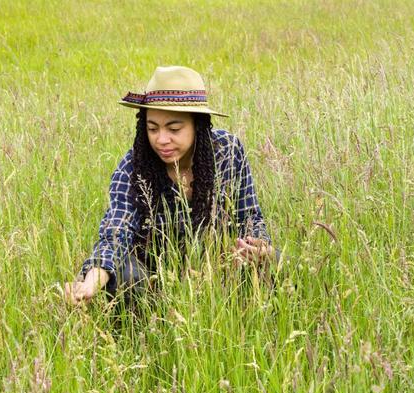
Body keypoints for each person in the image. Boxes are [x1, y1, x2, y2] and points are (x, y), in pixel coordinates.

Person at [64, 66, 277, 306]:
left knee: (275, 262)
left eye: (174, 129)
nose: (161, 140)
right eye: (152, 128)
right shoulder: (133, 166)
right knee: (127, 276)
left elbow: (249, 216)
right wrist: (91, 281)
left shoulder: (227, 151)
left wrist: (259, 246)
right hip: (152, 271)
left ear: (198, 125)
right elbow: (116, 232)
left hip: (214, 265)